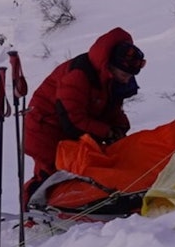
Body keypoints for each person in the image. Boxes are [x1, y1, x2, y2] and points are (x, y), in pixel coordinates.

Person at [22, 27, 146, 203]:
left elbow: (111, 109)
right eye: (124, 74)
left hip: (66, 129)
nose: (127, 80)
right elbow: (73, 120)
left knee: (74, 173)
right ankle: (30, 210)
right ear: (110, 66)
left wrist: (119, 128)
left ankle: (60, 207)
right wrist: (107, 132)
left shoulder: (108, 78)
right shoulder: (78, 75)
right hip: (45, 130)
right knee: (51, 176)